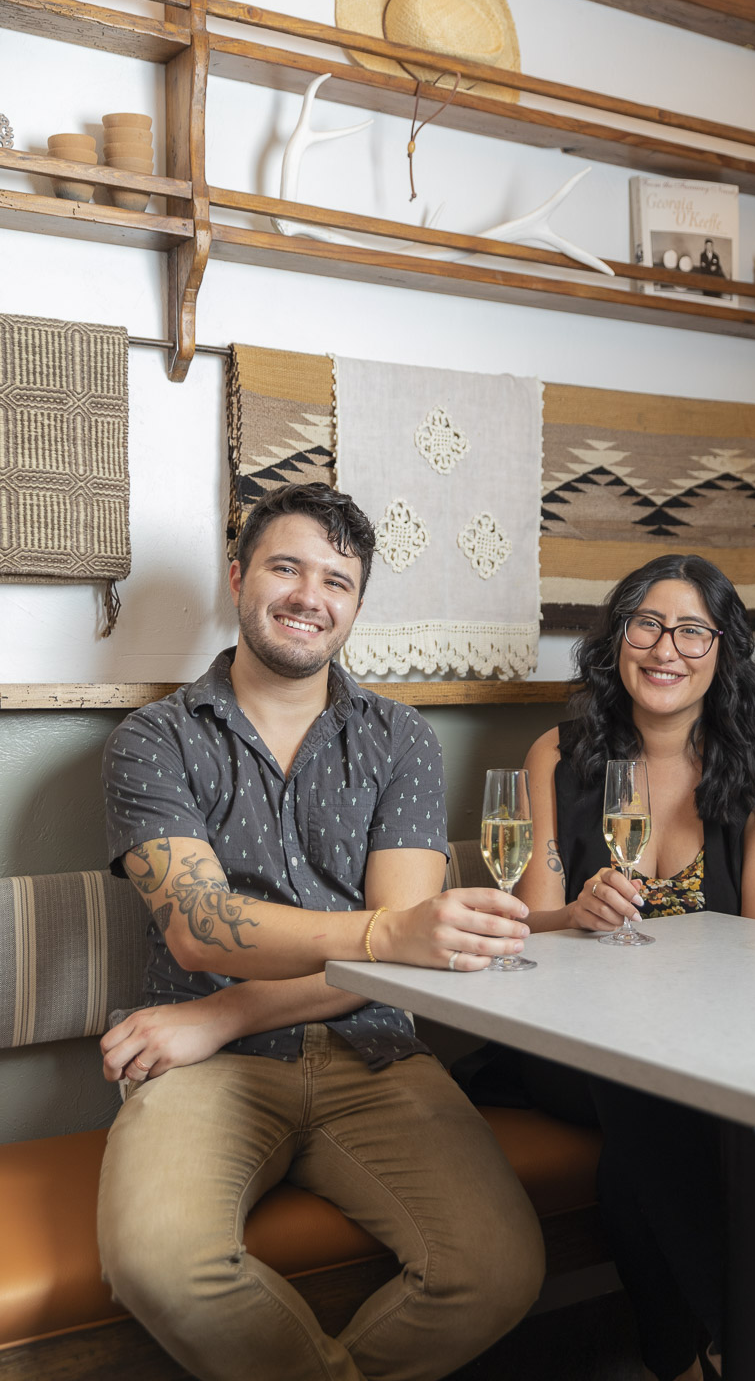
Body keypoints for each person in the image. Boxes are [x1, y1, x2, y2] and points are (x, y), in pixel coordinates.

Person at [96, 482, 545, 1381]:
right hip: (204, 1073)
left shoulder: (401, 740)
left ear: (356, 606)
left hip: (370, 1053)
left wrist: (226, 1012)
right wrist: (374, 945)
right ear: (239, 577)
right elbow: (203, 932)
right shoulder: (152, 739)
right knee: (159, 1264)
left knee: (496, 1273)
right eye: (287, 567)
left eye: (336, 580)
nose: (310, 595)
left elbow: (407, 954)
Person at [473, 554, 755, 1381]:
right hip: (571, 1040)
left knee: (710, 1094)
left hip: (710, 1034)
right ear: (617, 639)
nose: (665, 648)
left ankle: (679, 1355)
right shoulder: (557, 754)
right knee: (649, 1081)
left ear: (722, 651)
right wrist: (573, 913)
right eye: (646, 624)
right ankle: (748, 1342)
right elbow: (528, 918)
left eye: (691, 630)